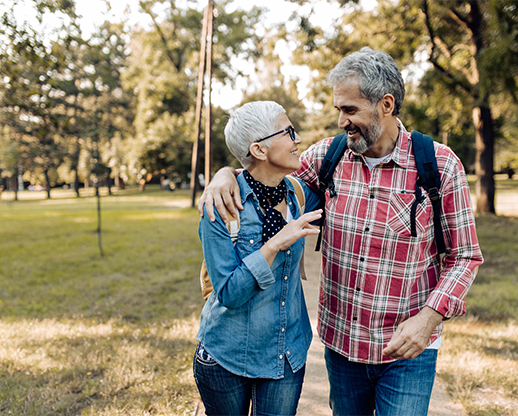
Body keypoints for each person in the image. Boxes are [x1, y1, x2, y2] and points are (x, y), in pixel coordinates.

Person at [198, 48, 484, 416]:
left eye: (350, 110)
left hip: (407, 346)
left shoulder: (439, 165)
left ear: (386, 104)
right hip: (343, 347)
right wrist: (224, 175)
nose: (340, 121)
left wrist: (429, 318)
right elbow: (264, 178)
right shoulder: (326, 158)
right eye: (338, 109)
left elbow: (464, 256)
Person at [194, 101, 323, 416]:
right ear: (260, 150)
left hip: (286, 354)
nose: (297, 140)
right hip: (225, 357)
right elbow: (229, 294)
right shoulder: (221, 207)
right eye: (288, 132)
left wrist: (224, 171)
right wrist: (273, 245)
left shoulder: (299, 194)